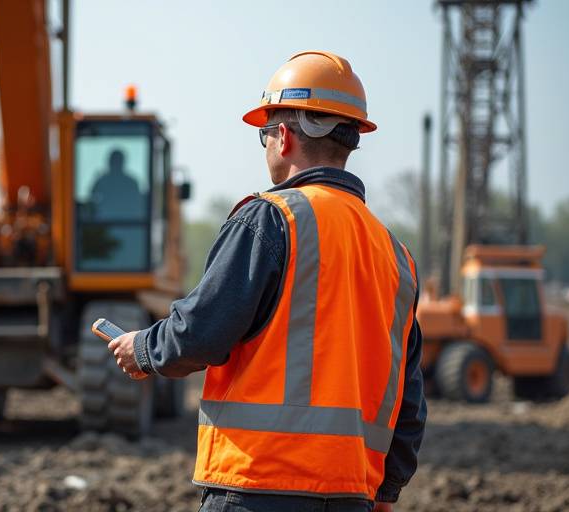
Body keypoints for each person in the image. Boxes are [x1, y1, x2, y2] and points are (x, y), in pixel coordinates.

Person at [108, 51, 426, 512]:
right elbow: (408, 398)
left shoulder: (271, 219)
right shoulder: (396, 256)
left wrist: (142, 349)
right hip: (351, 494)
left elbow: (200, 333)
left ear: (283, 136)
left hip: (257, 485)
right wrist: (386, 490)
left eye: (265, 133)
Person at [90, 149, 144, 220]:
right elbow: (92, 198)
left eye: (115, 161)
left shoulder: (103, 180)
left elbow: (92, 198)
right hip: (108, 223)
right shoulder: (131, 182)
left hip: (121, 223)